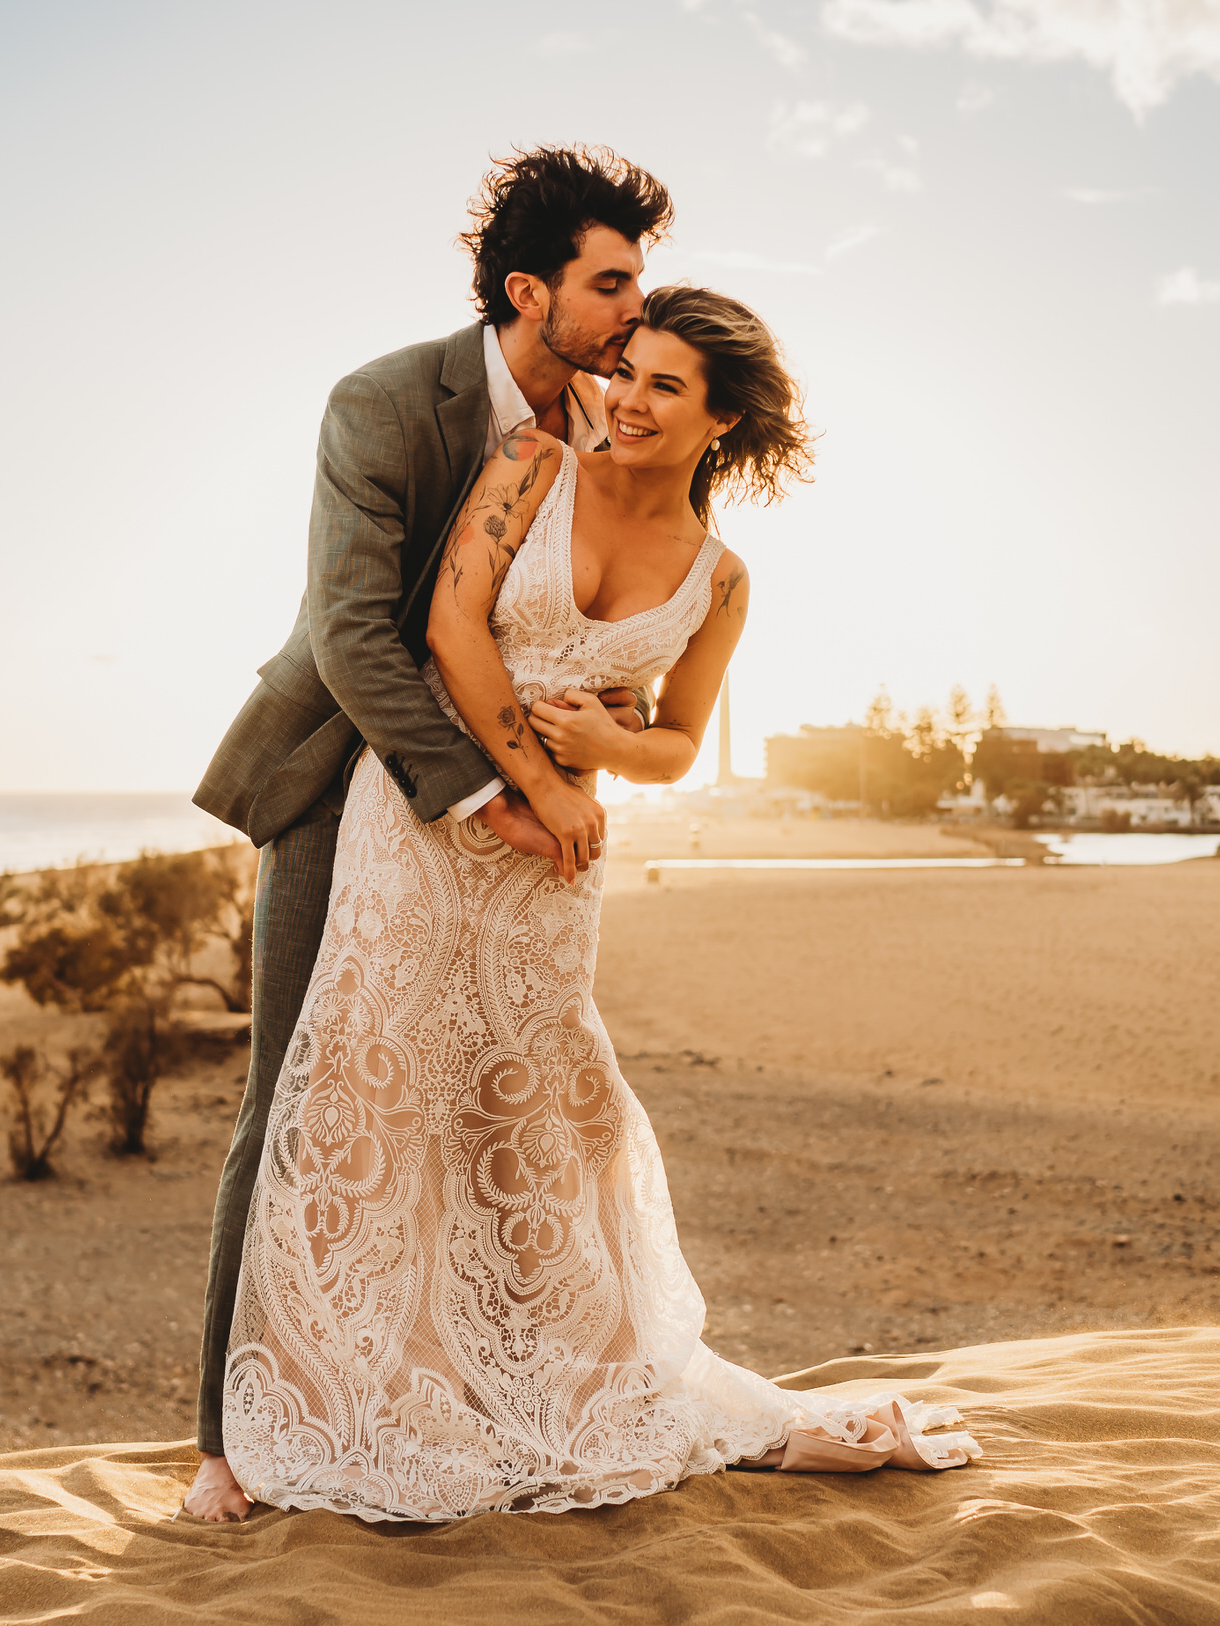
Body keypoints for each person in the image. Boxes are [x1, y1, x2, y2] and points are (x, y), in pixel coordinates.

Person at [212, 284, 979, 1522]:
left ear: (720, 420)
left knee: (534, 1109)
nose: (624, 395)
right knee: (378, 1087)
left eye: (664, 384)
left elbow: (678, 739)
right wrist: (535, 778)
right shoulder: (531, 463)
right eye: (626, 367)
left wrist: (602, 759)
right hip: (424, 821)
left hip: (551, 873)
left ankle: (528, 1376)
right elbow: (453, 629)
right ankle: (363, 1386)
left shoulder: (721, 580)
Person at [185, 147, 674, 1522]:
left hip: (515, 828)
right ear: (531, 291)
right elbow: (352, 631)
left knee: (480, 1120)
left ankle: (451, 1401)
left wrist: (601, 704)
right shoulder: (385, 402)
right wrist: (484, 788)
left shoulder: (606, 424)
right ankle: (226, 1438)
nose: (639, 306)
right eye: (613, 281)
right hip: (345, 782)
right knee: (292, 1102)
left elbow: (587, 600)